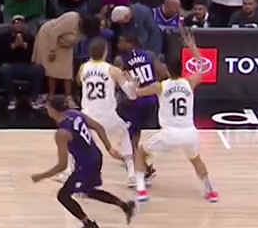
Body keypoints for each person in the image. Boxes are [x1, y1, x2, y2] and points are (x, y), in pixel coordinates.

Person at [128, 29, 218, 204]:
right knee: (196, 160)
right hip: (190, 132)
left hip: (169, 133)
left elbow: (134, 94)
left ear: (167, 70)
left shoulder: (159, 86)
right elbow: (203, 67)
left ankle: (141, 190)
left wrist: (133, 84)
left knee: (140, 153)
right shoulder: (190, 82)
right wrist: (192, 48)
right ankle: (211, 191)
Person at [32, 95, 135, 228]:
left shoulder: (62, 133)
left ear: (54, 110)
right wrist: (109, 148)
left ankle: (88, 223)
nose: (47, 109)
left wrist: (41, 176)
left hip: (86, 164)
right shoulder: (75, 114)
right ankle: (124, 206)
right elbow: (98, 127)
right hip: (95, 156)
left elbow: (62, 165)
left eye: (48, 107)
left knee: (63, 196)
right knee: (88, 191)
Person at [77, 37, 135, 183]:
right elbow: (131, 95)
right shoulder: (114, 70)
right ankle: (131, 173)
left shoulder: (83, 68)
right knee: (124, 133)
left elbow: (78, 81)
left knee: (76, 139)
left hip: (87, 116)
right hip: (108, 117)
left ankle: (70, 172)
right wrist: (133, 83)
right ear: (105, 52)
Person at [114, 30, 165, 188]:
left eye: (122, 42)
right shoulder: (149, 55)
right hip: (151, 100)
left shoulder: (120, 59)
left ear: (130, 43)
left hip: (135, 101)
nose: (119, 44)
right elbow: (162, 73)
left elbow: (117, 82)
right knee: (134, 133)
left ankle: (143, 170)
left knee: (130, 137)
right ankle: (138, 162)